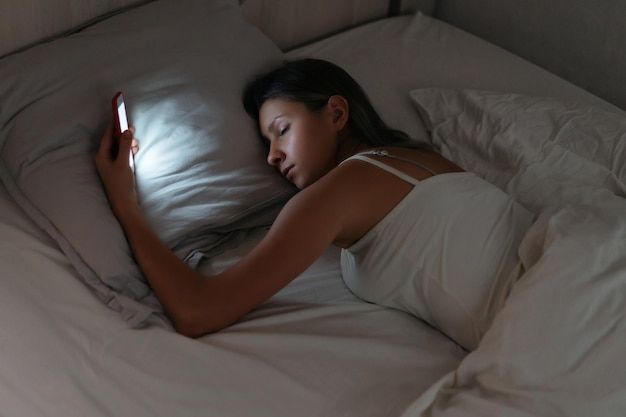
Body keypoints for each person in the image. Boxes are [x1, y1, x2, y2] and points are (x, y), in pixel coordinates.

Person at [96, 59, 533, 348]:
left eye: (282, 130)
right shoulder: (419, 157)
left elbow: (198, 311)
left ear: (337, 115)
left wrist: (125, 202)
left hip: (541, 316)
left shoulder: (343, 188)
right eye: (268, 142)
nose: (272, 156)